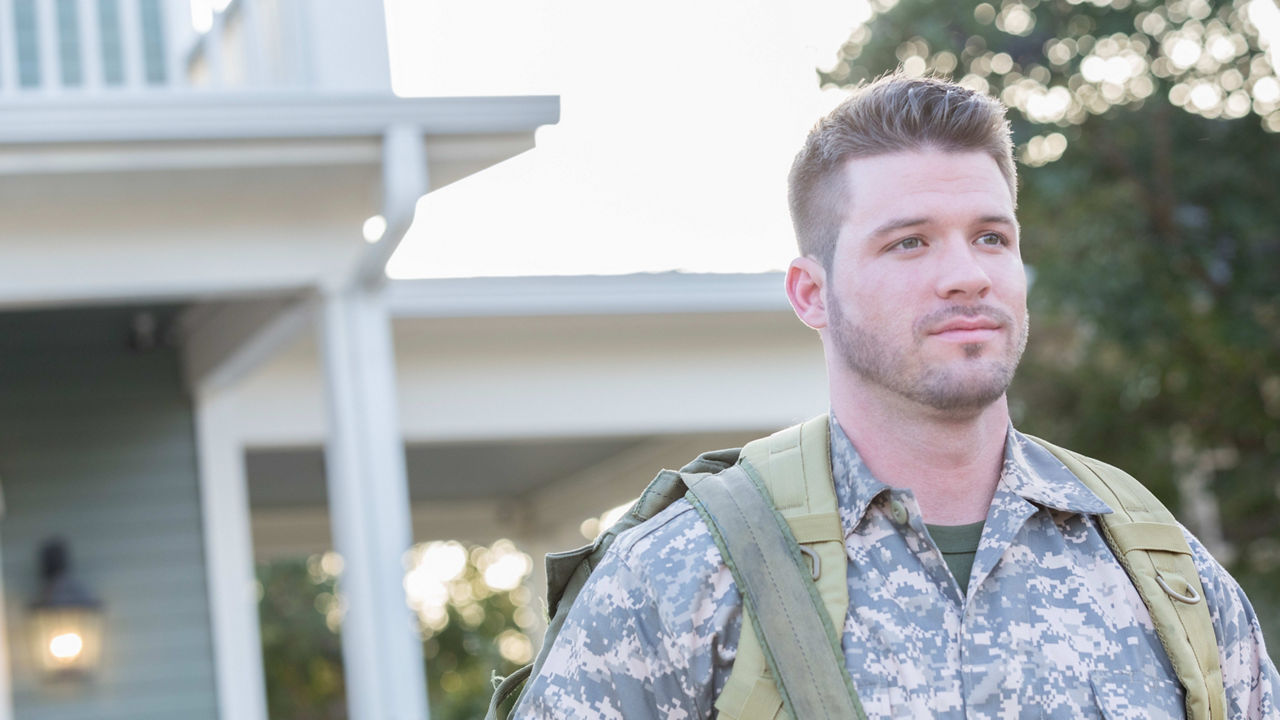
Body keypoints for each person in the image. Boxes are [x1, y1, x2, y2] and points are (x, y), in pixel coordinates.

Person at [511, 74, 1279, 718]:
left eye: (991, 237)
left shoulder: (1162, 567)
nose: (967, 274)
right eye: (910, 241)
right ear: (811, 292)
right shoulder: (682, 576)